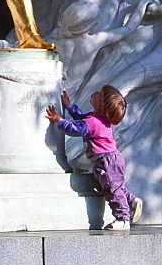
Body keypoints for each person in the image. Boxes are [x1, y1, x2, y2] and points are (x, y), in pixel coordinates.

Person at [45, 85, 143, 229]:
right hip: (110, 160)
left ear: (101, 105)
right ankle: (132, 201)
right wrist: (68, 106)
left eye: (99, 94)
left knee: (112, 190)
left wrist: (58, 120)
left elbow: (74, 129)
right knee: (116, 186)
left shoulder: (94, 123)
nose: (95, 92)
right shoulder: (96, 119)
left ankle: (122, 219)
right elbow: (81, 116)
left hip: (107, 162)